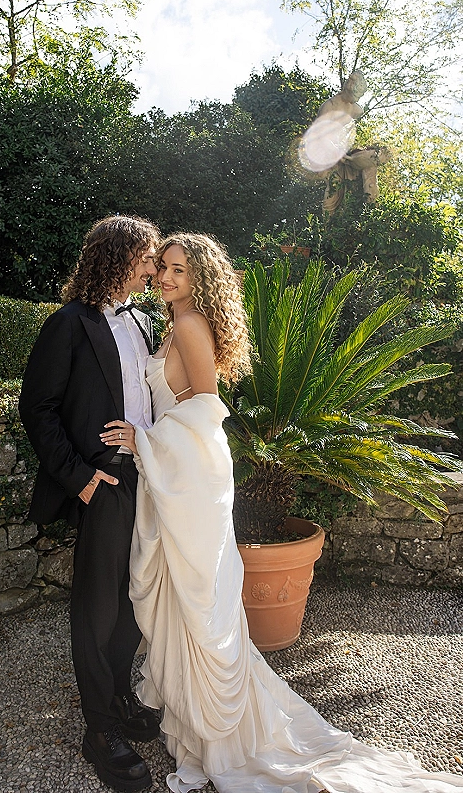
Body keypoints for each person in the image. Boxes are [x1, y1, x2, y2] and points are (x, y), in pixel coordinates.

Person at [101, 232, 463, 793]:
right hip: (178, 479)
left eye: (178, 270)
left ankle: (223, 733)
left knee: (198, 603)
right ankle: (195, 716)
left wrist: (142, 440)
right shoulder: (174, 324)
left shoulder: (191, 327)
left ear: (200, 278)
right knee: (184, 598)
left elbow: (203, 411)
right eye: (163, 268)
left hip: (190, 478)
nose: (166, 278)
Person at [19, 214, 162, 793]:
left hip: (149, 480)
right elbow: (38, 408)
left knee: (136, 598)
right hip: (101, 484)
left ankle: (120, 697)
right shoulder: (68, 325)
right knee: (97, 607)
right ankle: (99, 730)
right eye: (148, 257)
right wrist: (79, 477)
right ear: (120, 257)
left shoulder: (146, 323)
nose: (153, 267)